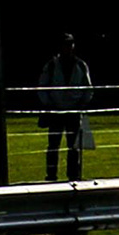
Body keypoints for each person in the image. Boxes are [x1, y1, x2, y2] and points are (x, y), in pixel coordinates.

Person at [36, 33, 96, 182]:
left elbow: (88, 88)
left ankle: (73, 175)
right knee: (53, 145)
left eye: (70, 44)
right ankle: (51, 174)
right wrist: (49, 105)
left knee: (73, 146)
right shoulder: (51, 65)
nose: (68, 48)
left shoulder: (80, 65)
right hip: (56, 110)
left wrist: (82, 104)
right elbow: (42, 87)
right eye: (65, 44)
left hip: (73, 111)